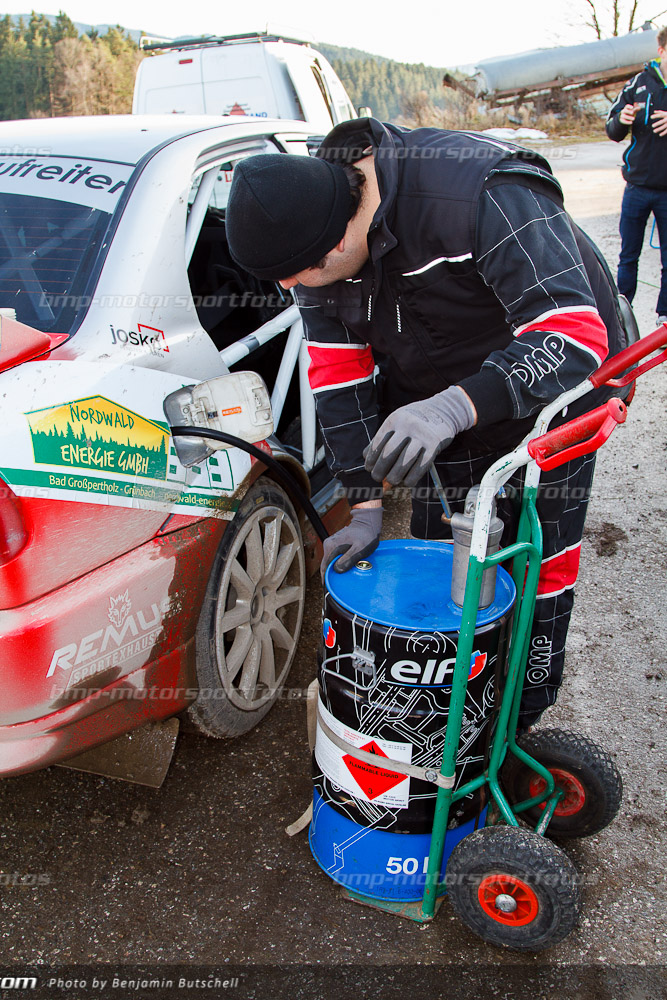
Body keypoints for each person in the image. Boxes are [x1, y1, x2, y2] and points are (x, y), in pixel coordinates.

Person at [225, 118, 629, 730]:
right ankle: (447, 724)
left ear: (335, 244)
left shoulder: (477, 192)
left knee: (539, 559)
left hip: (560, 388)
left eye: (295, 275)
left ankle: (520, 718)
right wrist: (362, 503)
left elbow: (571, 334)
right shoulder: (313, 239)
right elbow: (340, 381)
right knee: (446, 565)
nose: (288, 288)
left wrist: (451, 407)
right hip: (444, 401)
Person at [606, 26, 667, 325]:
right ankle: (621, 315)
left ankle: (664, 318)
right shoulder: (638, 84)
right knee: (628, 256)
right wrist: (621, 120)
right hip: (637, 187)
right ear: (661, 51)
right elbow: (612, 130)